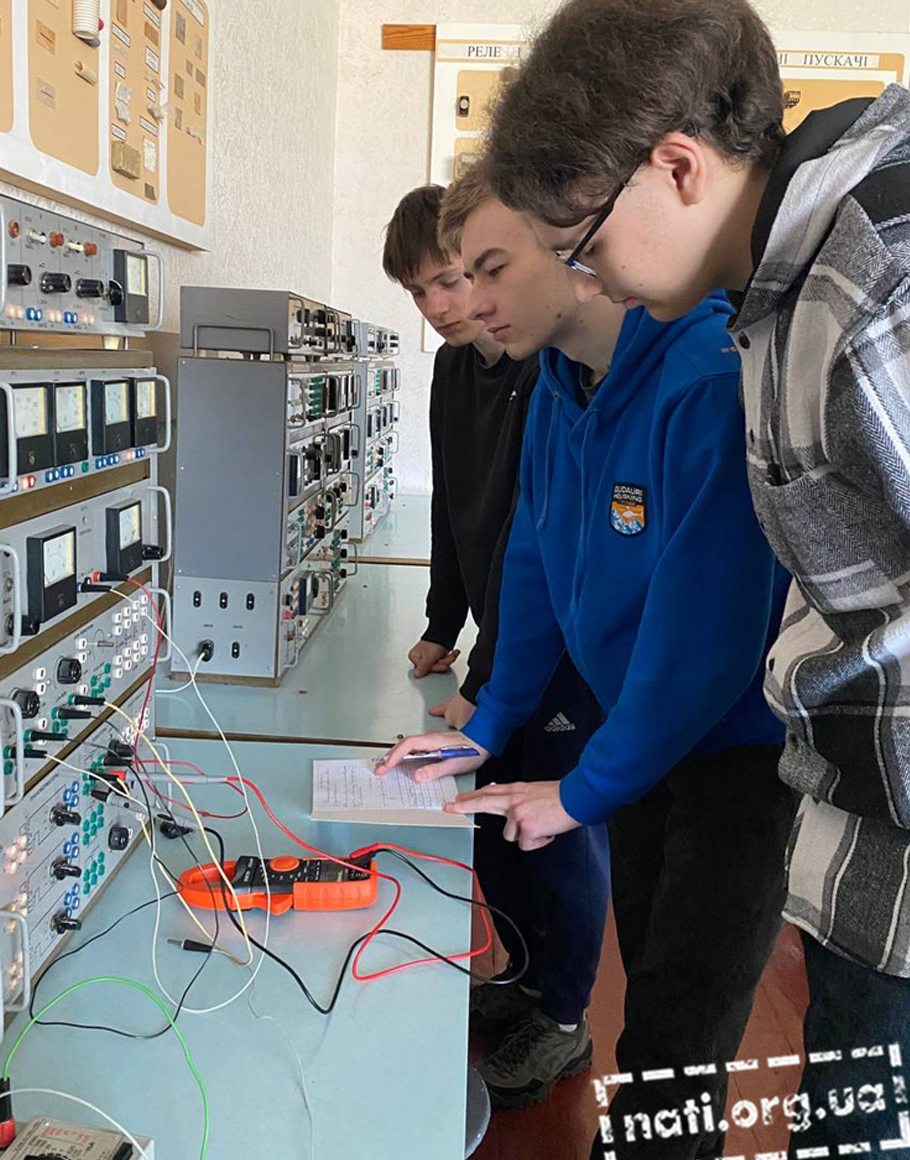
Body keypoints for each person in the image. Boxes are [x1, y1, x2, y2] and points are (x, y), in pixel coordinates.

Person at [483, 0, 910, 1151]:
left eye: (582, 243)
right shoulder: (770, 302)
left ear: (675, 167)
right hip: (858, 828)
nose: (588, 275)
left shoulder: (868, 283)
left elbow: (709, 619)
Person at [381, 160, 795, 1154]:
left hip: (735, 755)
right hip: (641, 734)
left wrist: (582, 789)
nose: (469, 301)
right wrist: (486, 724)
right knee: (646, 975)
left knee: (677, 1031)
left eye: (489, 269)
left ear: (572, 248)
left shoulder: (704, 375)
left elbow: (706, 640)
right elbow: (533, 562)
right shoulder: (561, 386)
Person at [381, 183, 608, 1108]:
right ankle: (520, 977)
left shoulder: (541, 367)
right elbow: (454, 501)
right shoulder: (454, 371)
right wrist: (444, 624)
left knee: (554, 833)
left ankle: (565, 1019)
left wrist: (484, 679)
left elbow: (532, 540)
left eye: (457, 279)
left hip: (555, 653)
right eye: (424, 291)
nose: (446, 306)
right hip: (496, 652)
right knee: (491, 823)